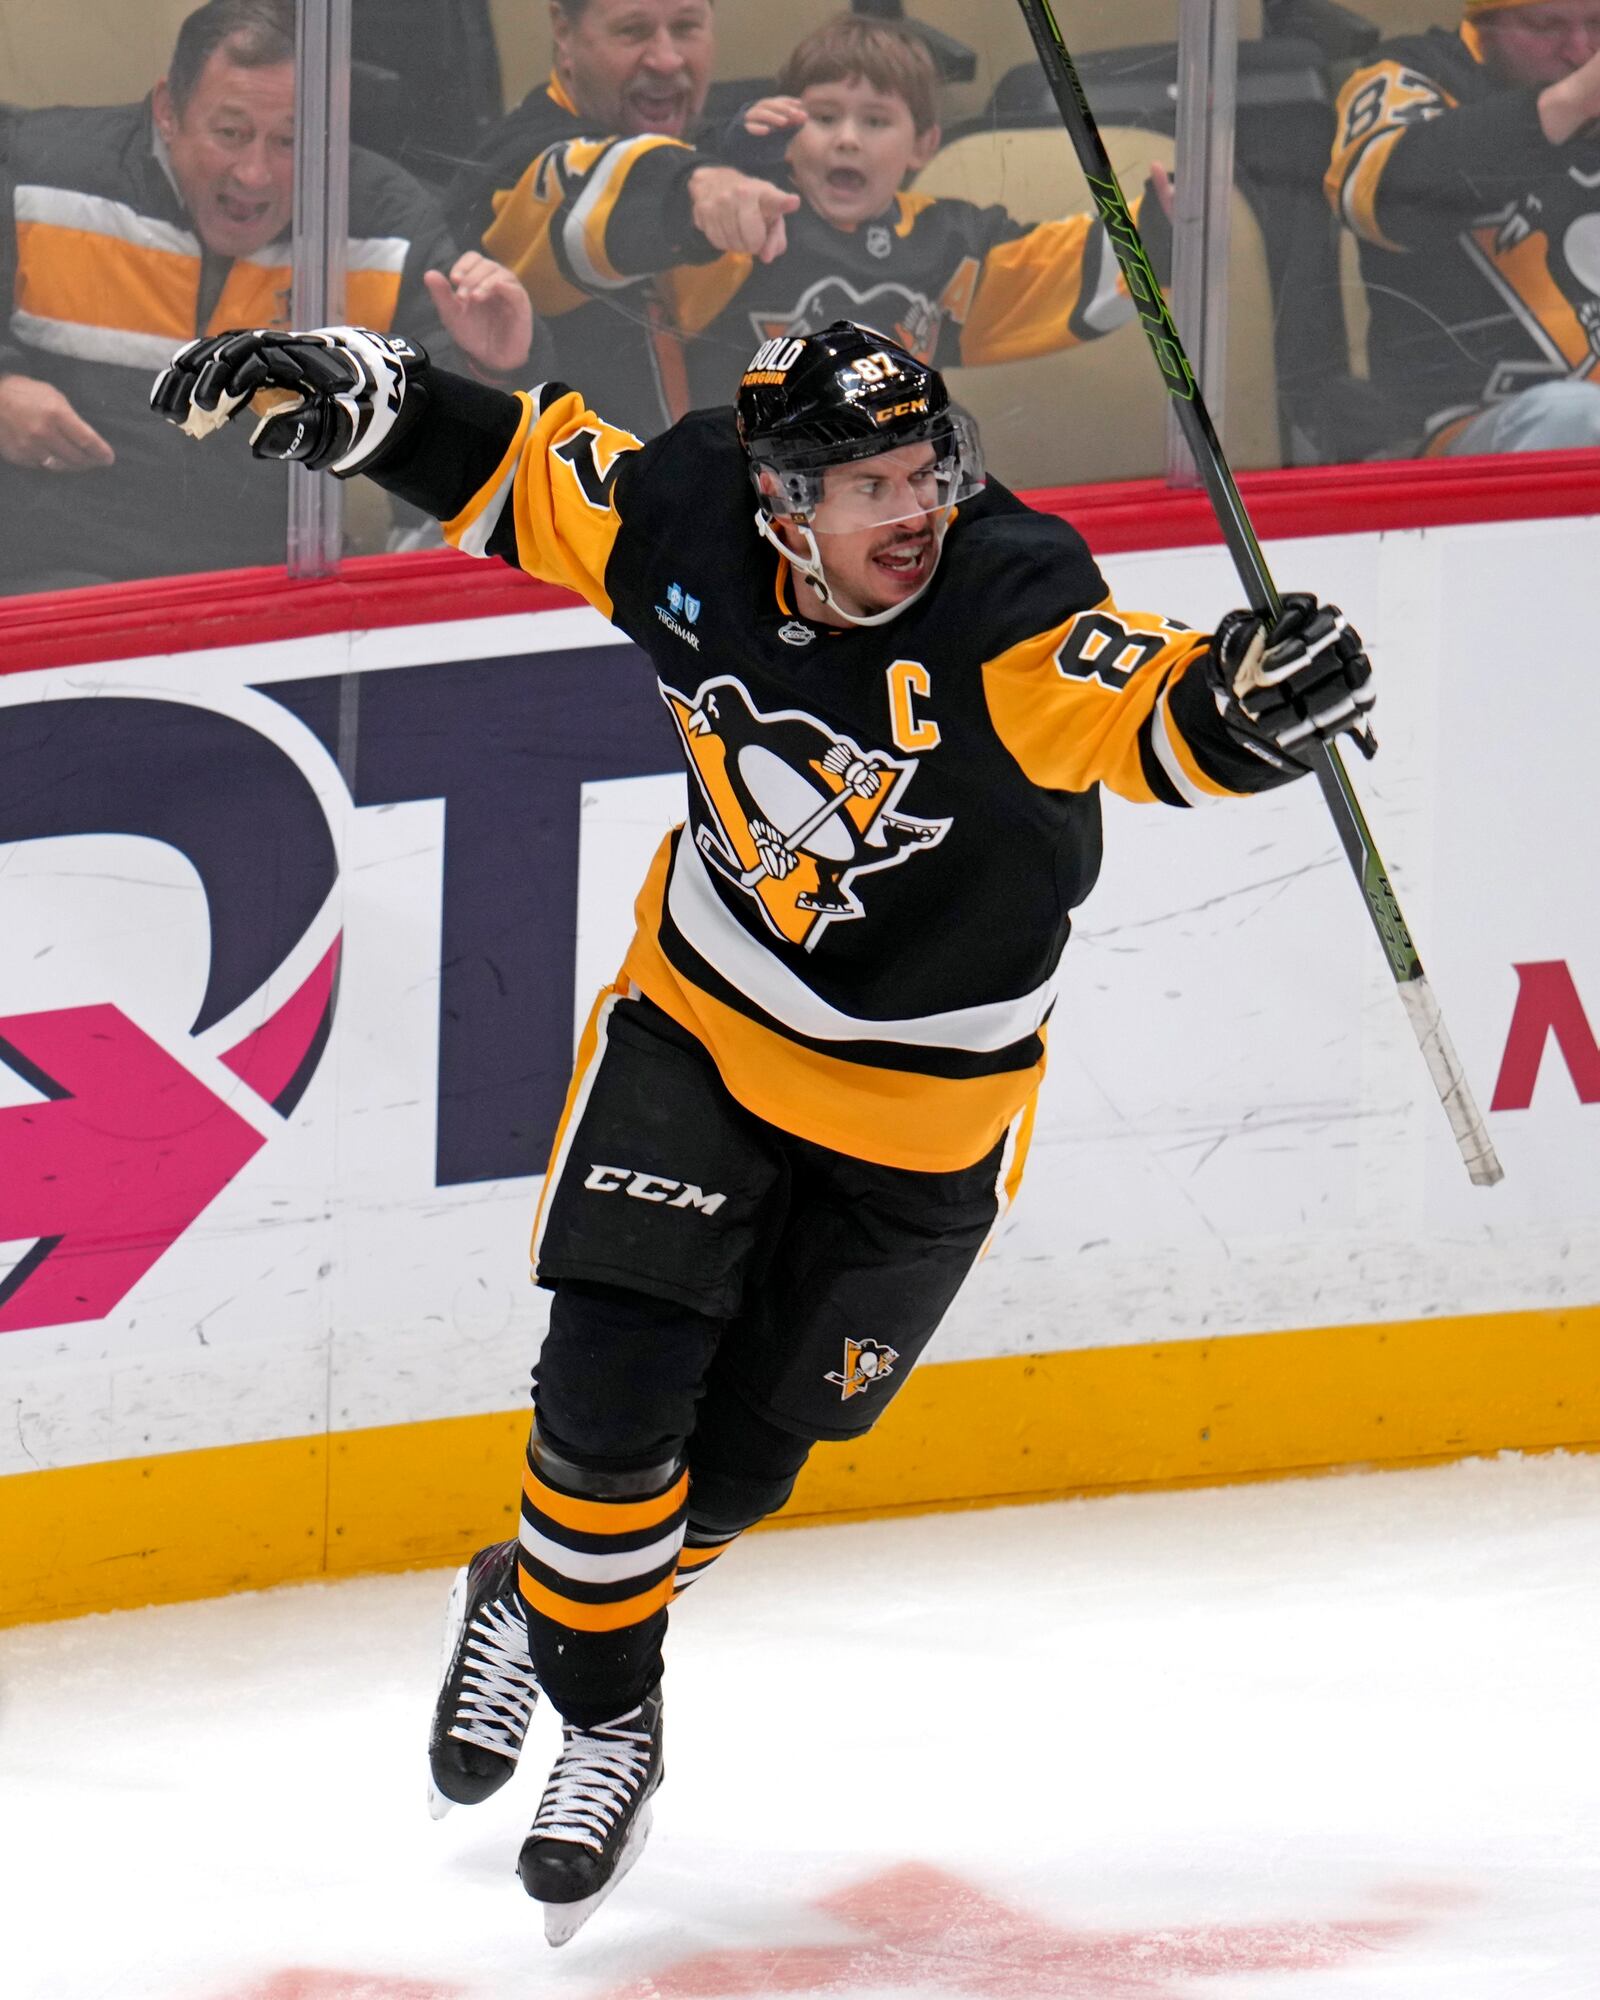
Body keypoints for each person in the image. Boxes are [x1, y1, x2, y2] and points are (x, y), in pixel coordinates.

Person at [150, 315, 1375, 1944]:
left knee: (728, 1468)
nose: (910, 509)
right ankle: (613, 1723)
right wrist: (375, 401)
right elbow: (522, 470)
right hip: (707, 1028)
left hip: (929, 1106)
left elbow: (1141, 710)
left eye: (922, 468)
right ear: (779, 502)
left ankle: (532, 1600)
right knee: (605, 1403)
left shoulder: (1009, 595)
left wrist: (1245, 701)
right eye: (866, 484)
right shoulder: (686, 519)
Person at [0, 0, 541, 593]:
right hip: (52, 583)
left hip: (275, 587)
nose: (254, 173)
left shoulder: (384, 223)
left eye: (290, 141)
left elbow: (470, 460)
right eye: (231, 133)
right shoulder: (39, 173)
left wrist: (495, 362)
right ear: (167, 112)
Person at [481, 12, 1172, 426]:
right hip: (747, 501)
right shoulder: (753, 220)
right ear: (786, 124)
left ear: (925, 144)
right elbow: (658, 244)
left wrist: (1163, 232)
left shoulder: (949, 240)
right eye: (822, 118)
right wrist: (729, 159)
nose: (847, 140)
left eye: (875, 122)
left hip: (895, 496)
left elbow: (1046, 276)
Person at [1327, 0, 1600, 455]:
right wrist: (1570, 103)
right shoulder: (1410, 72)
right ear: (1482, 24)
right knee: (1574, 417)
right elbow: (1383, 198)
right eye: (1546, 26)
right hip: (1459, 432)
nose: (1580, 51)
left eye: (1597, 24)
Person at [445, 0, 720, 438]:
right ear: (563, 30)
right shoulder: (516, 163)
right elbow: (603, 185)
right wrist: (703, 190)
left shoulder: (729, 142)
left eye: (687, 27)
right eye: (633, 31)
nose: (666, 59)